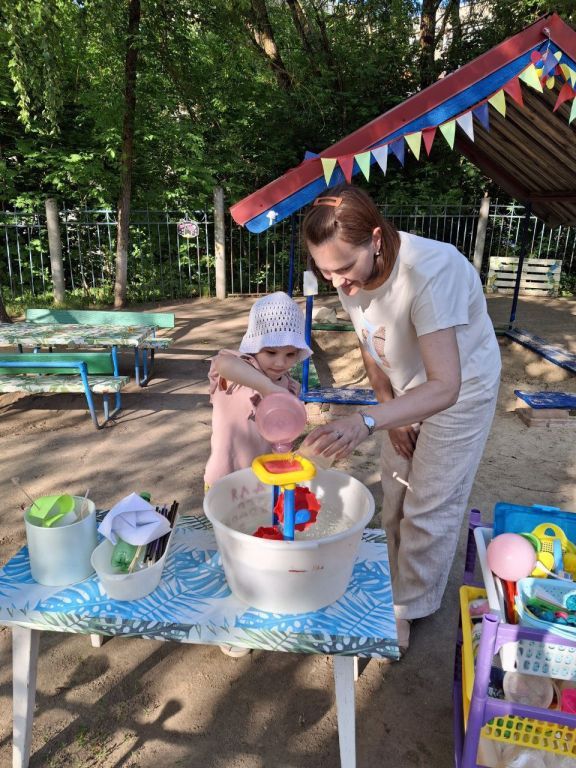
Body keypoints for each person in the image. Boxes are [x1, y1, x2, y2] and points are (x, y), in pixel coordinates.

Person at [300, 185, 501, 655]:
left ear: (376, 238)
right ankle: (393, 579)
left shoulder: (431, 270)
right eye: (325, 272)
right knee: (395, 491)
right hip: (405, 387)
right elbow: (371, 341)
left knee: (429, 504)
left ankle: (407, 608)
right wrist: (389, 409)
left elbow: (445, 386)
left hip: (461, 388)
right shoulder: (345, 273)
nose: (338, 284)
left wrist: (368, 420)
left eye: (345, 269)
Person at [205, 291, 312, 658]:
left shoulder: (291, 389)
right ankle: (231, 624)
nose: (281, 362)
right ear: (255, 348)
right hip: (224, 480)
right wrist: (267, 388)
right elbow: (223, 362)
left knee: (259, 550)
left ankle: (260, 608)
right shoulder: (236, 371)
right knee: (230, 556)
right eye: (272, 352)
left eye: (290, 354)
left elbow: (283, 442)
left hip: (261, 486)